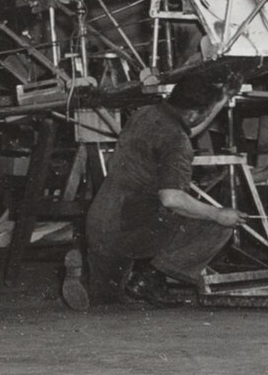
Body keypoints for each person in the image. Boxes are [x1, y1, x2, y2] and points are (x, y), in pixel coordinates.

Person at [70, 76, 245, 308]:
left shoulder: (146, 113)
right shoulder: (177, 141)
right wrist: (217, 213)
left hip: (100, 223)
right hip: (131, 229)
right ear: (194, 113)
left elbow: (186, 128)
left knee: (109, 301)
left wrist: (222, 99)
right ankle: (150, 279)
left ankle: (81, 274)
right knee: (220, 224)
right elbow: (172, 198)